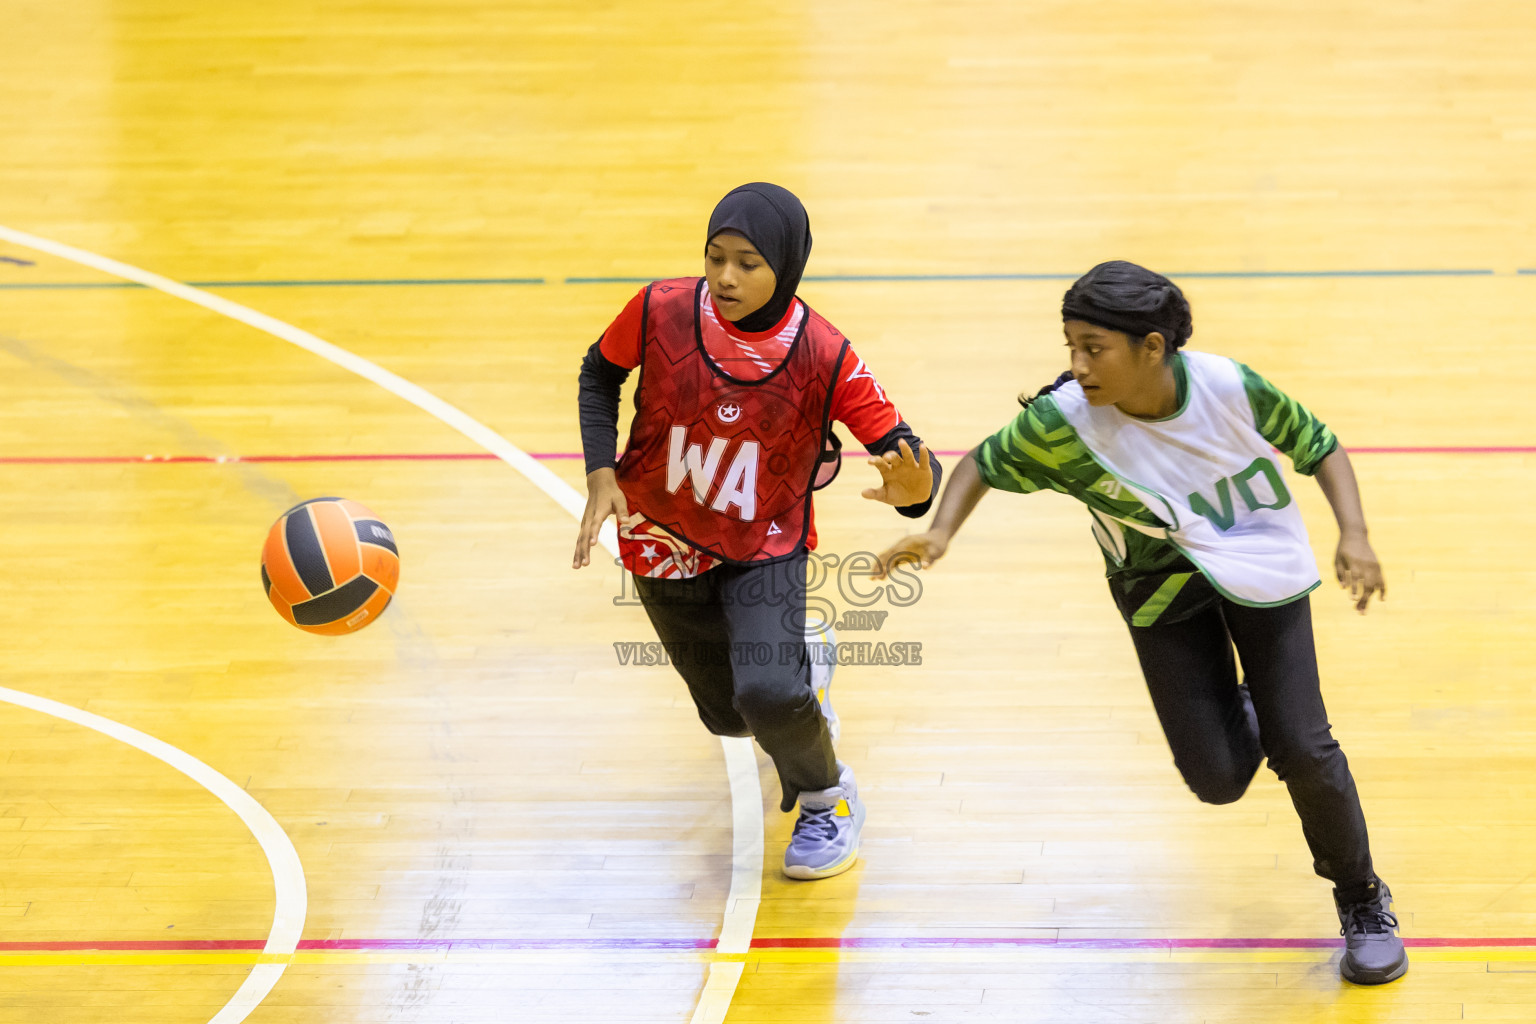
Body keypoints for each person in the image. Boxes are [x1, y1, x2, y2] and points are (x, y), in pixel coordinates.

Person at [874, 260, 1406, 983]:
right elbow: (984, 463)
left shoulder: (1228, 387)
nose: (1077, 364)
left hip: (1259, 568)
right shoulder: (1064, 424)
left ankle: (1362, 897)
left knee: (1305, 749)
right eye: (1071, 347)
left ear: (1152, 347)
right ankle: (1255, 710)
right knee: (1218, 780)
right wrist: (939, 534)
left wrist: (1355, 535)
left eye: (1095, 348)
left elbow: (1320, 446)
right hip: (1160, 594)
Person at [573, 182, 942, 879]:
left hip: (765, 541)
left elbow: (908, 457)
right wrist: (600, 471)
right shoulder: (661, 308)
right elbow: (599, 373)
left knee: (769, 694)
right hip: (660, 530)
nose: (726, 277)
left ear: (785, 266)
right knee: (733, 718)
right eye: (716, 258)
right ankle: (804, 666)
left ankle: (828, 800)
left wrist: (913, 491)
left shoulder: (824, 353)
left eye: (747, 262)